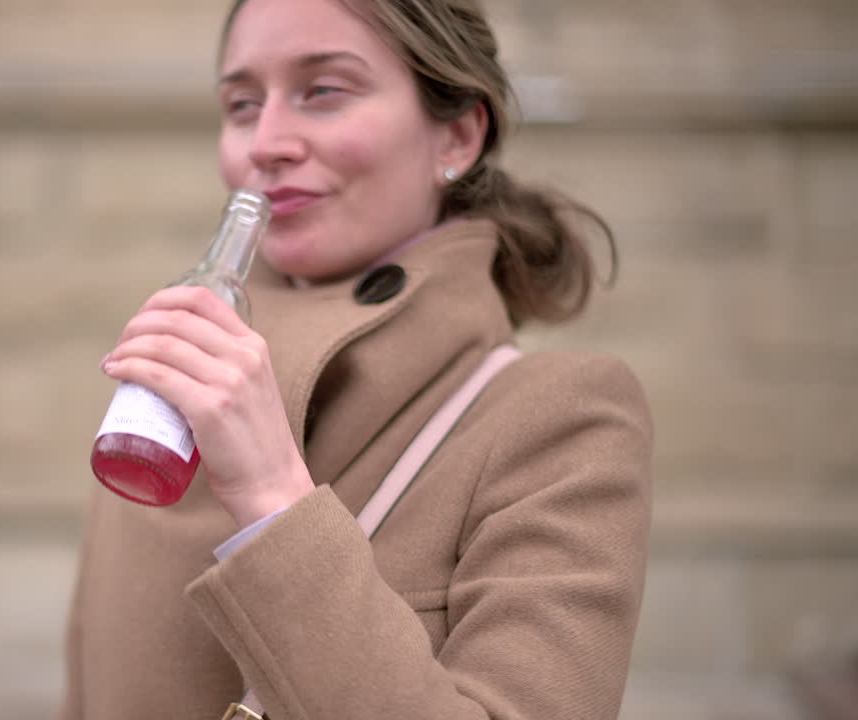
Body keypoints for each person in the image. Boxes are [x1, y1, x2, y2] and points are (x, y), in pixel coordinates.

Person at [59, 0, 652, 717]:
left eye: (324, 91)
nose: (266, 143)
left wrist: (274, 499)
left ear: (457, 136)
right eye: (242, 104)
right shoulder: (170, 391)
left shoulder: (561, 416)